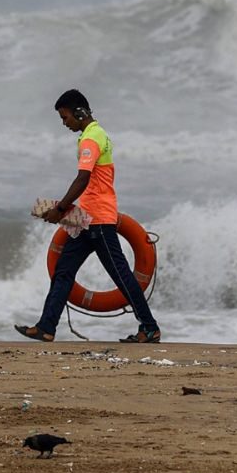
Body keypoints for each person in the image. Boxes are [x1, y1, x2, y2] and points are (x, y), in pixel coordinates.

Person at [14, 89, 162, 344]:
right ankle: (46, 327)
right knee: (63, 271)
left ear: (80, 113)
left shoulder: (91, 138)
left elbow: (82, 178)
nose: (64, 123)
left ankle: (150, 328)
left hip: (99, 222)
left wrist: (60, 209)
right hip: (86, 221)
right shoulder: (94, 135)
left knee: (121, 275)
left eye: (65, 117)